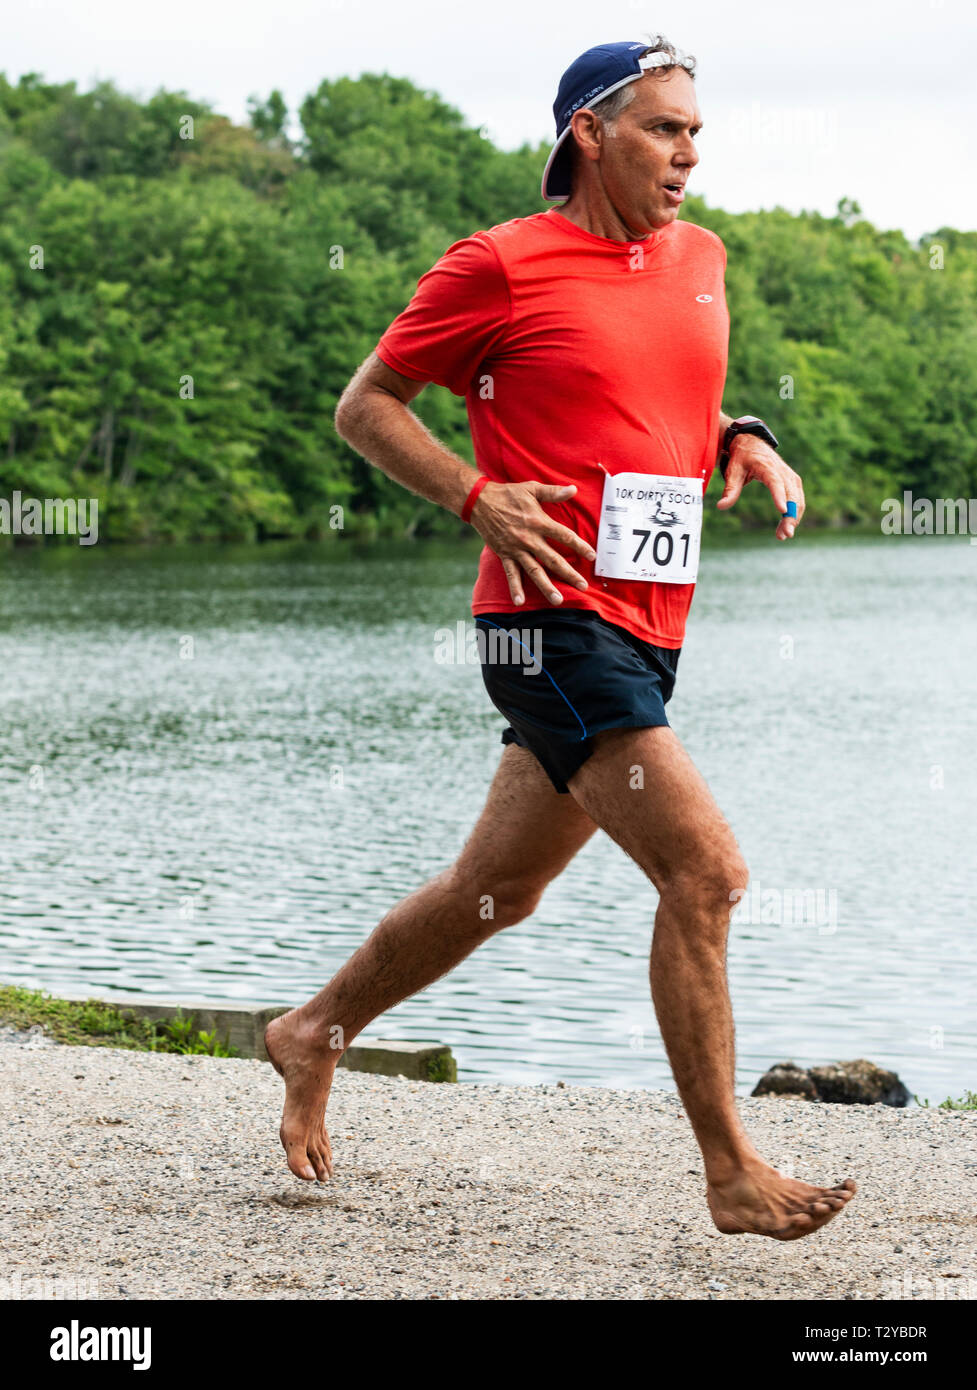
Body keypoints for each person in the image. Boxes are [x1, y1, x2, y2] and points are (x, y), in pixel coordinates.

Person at [266, 36, 856, 1240]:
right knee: (706, 873)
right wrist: (471, 495)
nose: (688, 153)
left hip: (647, 624)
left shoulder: (701, 258)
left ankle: (310, 1029)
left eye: (695, 131)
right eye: (662, 129)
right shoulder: (500, 265)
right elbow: (363, 404)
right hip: (545, 622)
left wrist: (740, 435)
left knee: (497, 889)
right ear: (588, 132)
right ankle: (729, 1167)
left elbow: (657, 401)